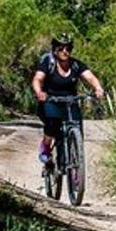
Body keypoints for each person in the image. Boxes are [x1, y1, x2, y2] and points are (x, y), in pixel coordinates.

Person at [31, 33, 105, 164]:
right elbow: (38, 79)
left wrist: (98, 88)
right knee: (52, 122)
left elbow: (90, 78)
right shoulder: (48, 62)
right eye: (61, 48)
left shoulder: (76, 65)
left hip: (71, 101)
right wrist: (39, 92)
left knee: (77, 126)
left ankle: (76, 163)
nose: (65, 52)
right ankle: (46, 147)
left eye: (68, 48)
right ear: (55, 49)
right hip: (51, 100)